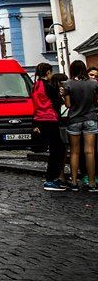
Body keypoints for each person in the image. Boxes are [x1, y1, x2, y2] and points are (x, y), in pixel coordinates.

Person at [63, 59, 98, 192]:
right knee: (90, 151)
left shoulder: (67, 84)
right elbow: (96, 101)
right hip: (90, 118)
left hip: (74, 120)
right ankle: (92, 182)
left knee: (75, 152)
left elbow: (68, 105)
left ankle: (73, 181)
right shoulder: (94, 83)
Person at [32, 62, 66, 191]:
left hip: (40, 118)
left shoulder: (35, 85)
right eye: (51, 72)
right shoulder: (49, 86)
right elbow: (57, 102)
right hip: (50, 118)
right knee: (58, 150)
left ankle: (52, 178)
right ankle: (51, 179)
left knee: (55, 148)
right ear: (47, 72)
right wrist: (61, 95)